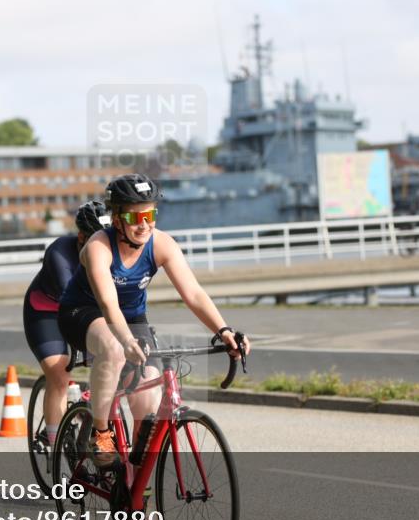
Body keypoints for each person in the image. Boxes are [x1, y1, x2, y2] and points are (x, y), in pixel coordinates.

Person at [59, 174, 250, 469]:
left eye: (150, 215)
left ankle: (135, 484)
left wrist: (224, 330)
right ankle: (101, 434)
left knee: (147, 397)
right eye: (135, 217)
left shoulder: (162, 244)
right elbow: (108, 304)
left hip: (132, 316)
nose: (144, 224)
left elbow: (193, 294)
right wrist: (126, 341)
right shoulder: (98, 246)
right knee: (112, 348)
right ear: (117, 219)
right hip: (84, 312)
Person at [23, 201, 111, 448]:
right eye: (96, 239)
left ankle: (88, 413)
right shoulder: (59, 251)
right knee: (60, 373)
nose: (103, 246)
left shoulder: (112, 250)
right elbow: (70, 299)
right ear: (81, 236)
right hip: (46, 312)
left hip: (85, 310)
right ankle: (55, 445)